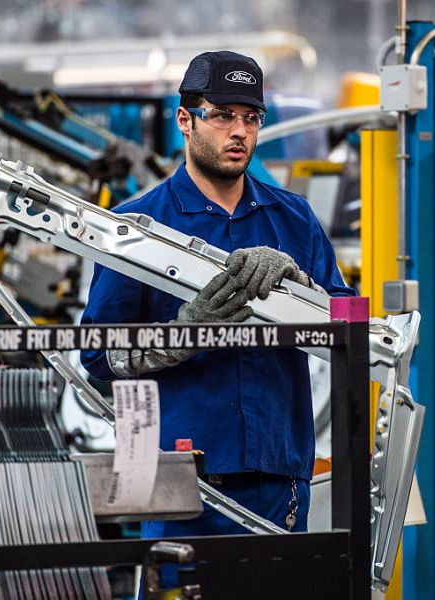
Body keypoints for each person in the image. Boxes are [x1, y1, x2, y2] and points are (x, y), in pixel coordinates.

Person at [80, 51, 354, 542]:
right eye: (223, 115)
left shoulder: (294, 220)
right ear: (185, 120)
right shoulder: (138, 228)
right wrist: (184, 333)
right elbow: (99, 355)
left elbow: (345, 327)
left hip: (279, 476)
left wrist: (300, 286)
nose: (240, 132)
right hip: (179, 483)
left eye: (251, 118)